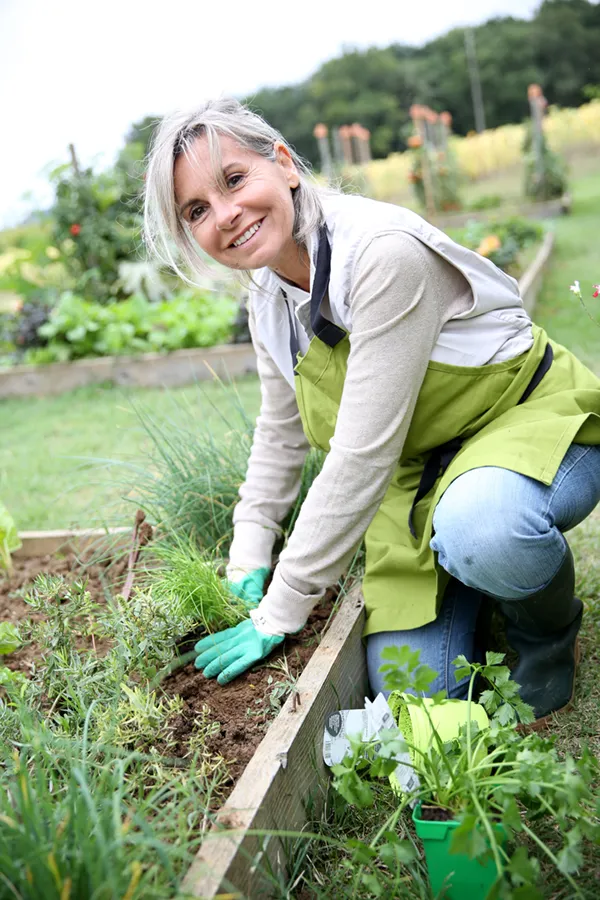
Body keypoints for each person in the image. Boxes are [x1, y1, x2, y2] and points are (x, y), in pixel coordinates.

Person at [144, 98, 600, 726]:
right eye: (197, 209)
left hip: (523, 423)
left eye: (235, 179)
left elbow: (362, 454)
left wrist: (281, 608)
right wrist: (249, 557)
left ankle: (544, 629)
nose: (226, 214)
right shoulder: (268, 300)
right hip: (416, 480)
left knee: (485, 532)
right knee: (411, 699)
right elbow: (280, 434)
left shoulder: (380, 255)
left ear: (284, 165)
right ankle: (476, 580)